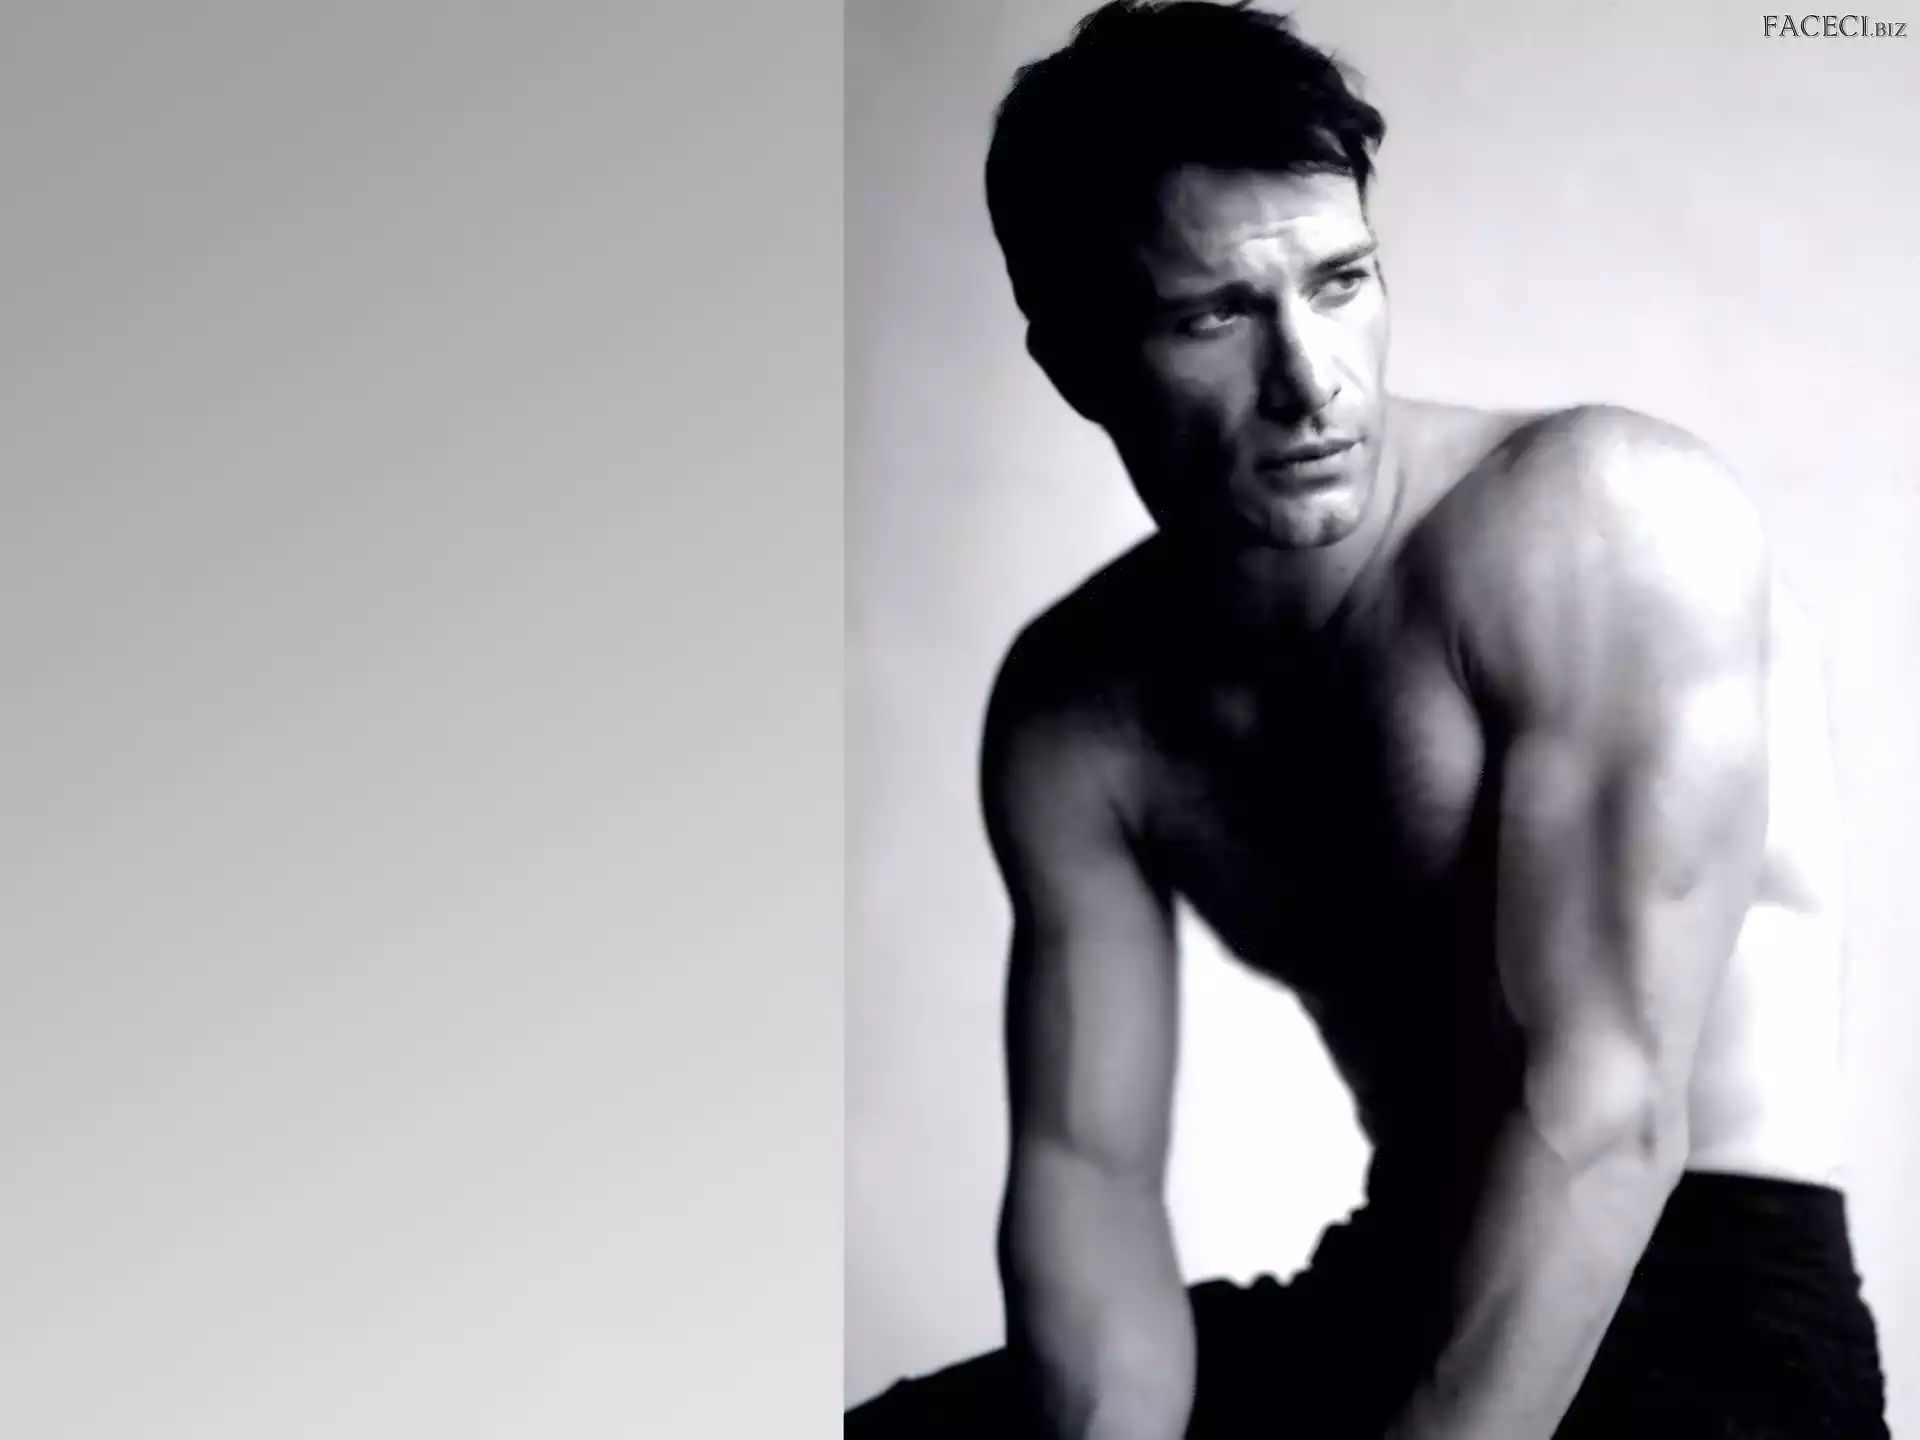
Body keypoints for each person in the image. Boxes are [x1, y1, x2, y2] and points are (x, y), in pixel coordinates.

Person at [848, 2, 1889, 1435]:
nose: (1311, 380)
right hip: (1402, 1275)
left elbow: (1606, 1114)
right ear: (1076, 357)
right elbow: (1090, 1182)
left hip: (1705, 1307)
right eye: (1216, 315)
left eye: (1340, 283)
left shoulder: (1602, 520)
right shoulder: (1079, 712)